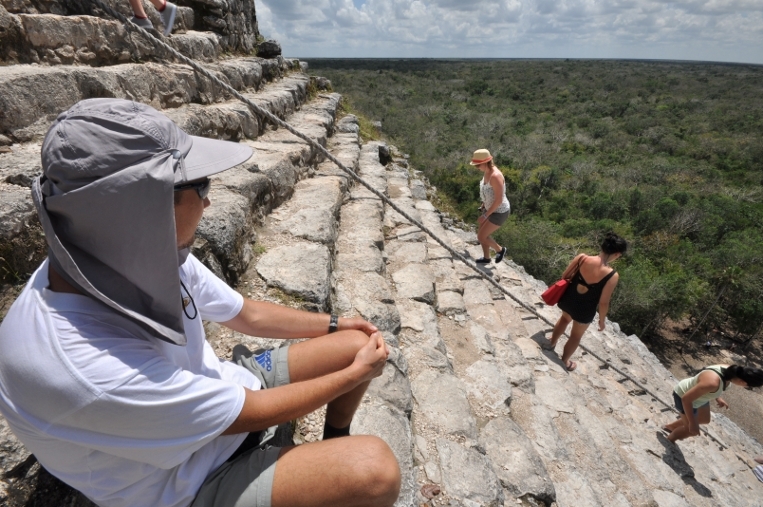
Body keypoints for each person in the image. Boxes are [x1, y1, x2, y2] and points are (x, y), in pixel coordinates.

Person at [0, 99, 401, 507]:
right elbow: (248, 414)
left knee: (356, 342)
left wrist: (337, 324)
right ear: (147, 204)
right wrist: (352, 376)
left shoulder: (131, 252)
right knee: (374, 471)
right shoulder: (76, 363)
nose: (208, 203)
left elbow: (248, 313)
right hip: (183, 482)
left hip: (214, 394)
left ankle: (332, 441)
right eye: (202, 186)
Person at [545, 232, 627, 371]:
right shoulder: (612, 275)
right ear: (617, 254)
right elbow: (603, 302)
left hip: (569, 300)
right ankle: (564, 361)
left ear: (602, 246)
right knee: (576, 336)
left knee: (564, 319)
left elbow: (565, 276)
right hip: (585, 310)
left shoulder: (582, 258)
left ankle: (551, 343)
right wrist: (602, 320)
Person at [664, 365, 763, 443]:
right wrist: (692, 423)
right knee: (690, 430)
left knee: (704, 419)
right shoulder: (713, 383)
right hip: (683, 396)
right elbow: (686, 399)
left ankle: (671, 427)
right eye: (749, 386)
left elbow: (708, 384)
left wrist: (717, 397)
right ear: (743, 382)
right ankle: (669, 440)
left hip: (701, 396)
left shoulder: (731, 370)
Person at [470, 149, 510, 265]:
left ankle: (500, 250)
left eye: (478, 165)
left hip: (499, 212)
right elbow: (488, 192)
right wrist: (484, 204)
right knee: (483, 234)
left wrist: (486, 215)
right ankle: (486, 258)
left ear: (485, 162)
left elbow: (499, 200)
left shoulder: (495, 176)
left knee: (481, 236)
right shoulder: (486, 171)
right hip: (489, 209)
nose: (477, 167)